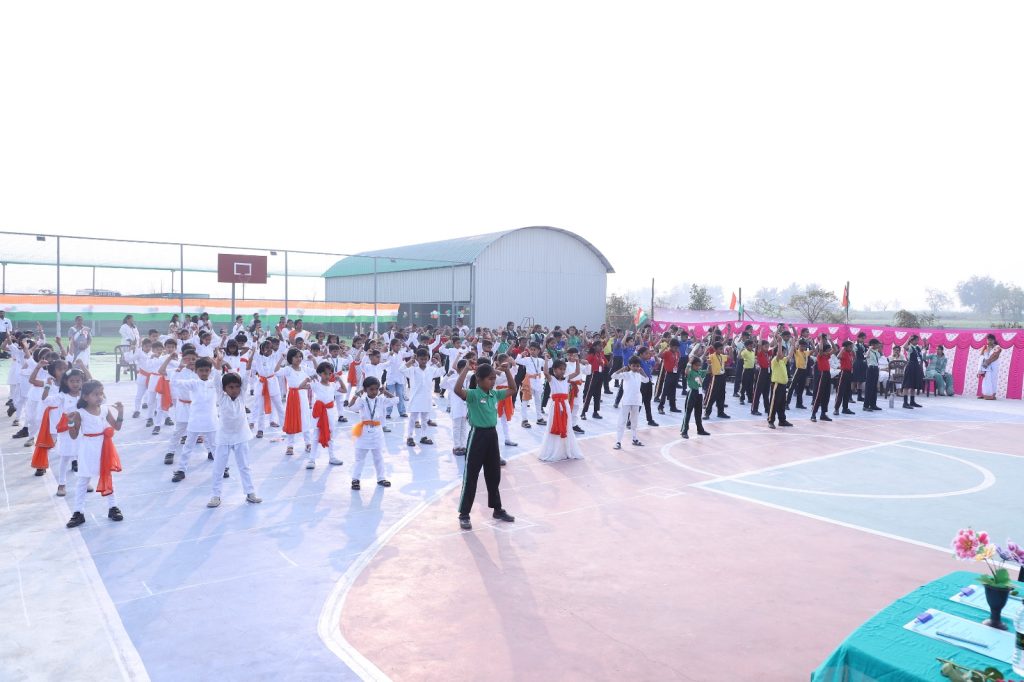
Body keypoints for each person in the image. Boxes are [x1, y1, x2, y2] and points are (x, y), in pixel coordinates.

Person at [453, 360, 517, 530]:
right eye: (490, 378)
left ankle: (497, 509)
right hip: (478, 436)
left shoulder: (494, 394)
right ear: (479, 379)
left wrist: (507, 371)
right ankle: (464, 514)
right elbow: (457, 390)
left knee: (494, 474)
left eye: (494, 378)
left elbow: (513, 389)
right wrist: (466, 369)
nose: (493, 381)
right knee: (471, 476)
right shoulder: (473, 394)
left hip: (492, 436)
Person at [65, 380, 125, 528]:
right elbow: (73, 435)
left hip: (104, 447)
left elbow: (117, 426)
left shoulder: (104, 409)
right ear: (85, 397)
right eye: (95, 394)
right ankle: (78, 512)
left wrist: (121, 412)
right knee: (83, 480)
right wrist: (70, 422)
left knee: (107, 476)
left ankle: (113, 507)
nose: (100, 397)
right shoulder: (80, 413)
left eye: (101, 393)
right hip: (87, 448)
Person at [206, 371, 262, 508]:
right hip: (224, 438)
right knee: (219, 468)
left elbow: (246, 378)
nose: (234, 390)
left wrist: (249, 364)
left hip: (241, 437)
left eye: (237, 386)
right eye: (231, 387)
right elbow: (217, 381)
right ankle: (215, 495)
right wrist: (217, 368)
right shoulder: (221, 397)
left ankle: (250, 492)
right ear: (224, 388)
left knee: (244, 466)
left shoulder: (241, 396)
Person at [347, 377, 396, 489]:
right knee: (360, 458)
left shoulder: (381, 400)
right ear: (365, 389)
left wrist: (385, 392)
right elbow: (351, 408)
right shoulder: (362, 400)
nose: (374, 392)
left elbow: (395, 400)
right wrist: (357, 395)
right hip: (364, 432)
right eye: (371, 389)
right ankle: (355, 479)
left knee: (378, 457)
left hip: (377, 432)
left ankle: (381, 478)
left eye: (376, 389)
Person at [537, 359, 584, 462]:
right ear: (554, 370)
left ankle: (565, 450)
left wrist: (577, 361)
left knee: (566, 425)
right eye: (560, 369)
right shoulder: (552, 379)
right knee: (554, 424)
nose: (562, 371)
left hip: (565, 405)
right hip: (555, 406)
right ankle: (554, 450)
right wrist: (546, 360)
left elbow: (577, 372)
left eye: (564, 369)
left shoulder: (567, 379)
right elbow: (545, 371)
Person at [403, 348, 445, 447]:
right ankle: (409, 437)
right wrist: (411, 361)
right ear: (417, 358)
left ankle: (423, 436)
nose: (423, 361)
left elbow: (442, 372)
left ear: (428, 359)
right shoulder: (413, 370)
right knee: (413, 419)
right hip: (415, 398)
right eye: (421, 359)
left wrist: (437, 363)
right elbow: (401, 369)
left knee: (425, 419)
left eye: (425, 359)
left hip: (426, 398)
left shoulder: (431, 369)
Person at [309, 361, 345, 468]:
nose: (328, 376)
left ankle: (332, 457)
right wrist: (309, 379)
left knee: (331, 435)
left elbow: (344, 390)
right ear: (320, 373)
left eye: (330, 373)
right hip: (319, 413)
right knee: (315, 436)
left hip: (330, 413)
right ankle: (311, 460)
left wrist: (340, 379)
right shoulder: (316, 384)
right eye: (325, 373)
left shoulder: (333, 385)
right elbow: (301, 386)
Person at [611, 355, 648, 450]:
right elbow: (613, 376)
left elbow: (646, 380)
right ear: (629, 366)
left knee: (634, 421)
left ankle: (634, 438)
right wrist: (622, 369)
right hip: (627, 401)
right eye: (634, 366)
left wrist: (642, 371)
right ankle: (618, 441)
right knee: (622, 421)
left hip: (636, 401)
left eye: (637, 366)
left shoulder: (639, 375)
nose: (636, 368)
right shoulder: (626, 374)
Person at [680, 357, 710, 439]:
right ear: (692, 365)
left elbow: (708, 371)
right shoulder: (690, 372)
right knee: (688, 412)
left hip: (699, 393)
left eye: (699, 365)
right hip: (692, 392)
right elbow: (686, 371)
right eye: (696, 365)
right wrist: (689, 363)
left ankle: (700, 430)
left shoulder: (699, 371)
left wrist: (709, 364)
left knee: (698, 412)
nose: (698, 367)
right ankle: (684, 431)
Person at [767, 342, 793, 429]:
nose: (784, 354)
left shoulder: (783, 360)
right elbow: (779, 354)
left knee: (782, 404)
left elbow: (790, 356)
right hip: (776, 385)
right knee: (774, 403)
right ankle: (770, 421)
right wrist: (780, 342)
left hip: (783, 385)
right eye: (783, 352)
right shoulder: (775, 360)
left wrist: (793, 345)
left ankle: (782, 420)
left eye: (784, 352)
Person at [810, 337, 835, 422]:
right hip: (822, 375)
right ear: (824, 351)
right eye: (828, 350)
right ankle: (813, 414)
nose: (829, 351)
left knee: (826, 395)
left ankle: (823, 414)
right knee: (819, 394)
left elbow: (835, 349)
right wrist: (821, 340)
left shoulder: (827, 356)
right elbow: (820, 349)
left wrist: (830, 340)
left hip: (827, 374)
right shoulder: (820, 356)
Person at [902, 335, 925, 409]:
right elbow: (904, 347)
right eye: (915, 340)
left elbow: (924, 347)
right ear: (911, 341)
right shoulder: (910, 347)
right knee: (907, 385)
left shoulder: (917, 347)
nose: (917, 341)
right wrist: (908, 339)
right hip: (911, 366)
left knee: (913, 385)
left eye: (917, 340)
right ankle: (905, 403)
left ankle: (912, 401)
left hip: (916, 367)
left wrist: (925, 342)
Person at [833, 341, 856, 416]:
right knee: (840, 392)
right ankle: (836, 409)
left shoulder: (850, 353)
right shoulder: (843, 352)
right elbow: (838, 356)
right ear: (845, 347)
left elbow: (854, 358)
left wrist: (852, 350)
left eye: (852, 347)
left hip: (849, 373)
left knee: (847, 392)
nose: (851, 348)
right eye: (850, 347)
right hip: (843, 373)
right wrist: (843, 349)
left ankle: (845, 408)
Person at [979, 334, 1001, 400]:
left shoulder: (997, 347)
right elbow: (981, 355)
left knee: (992, 379)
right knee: (986, 379)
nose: (989, 341)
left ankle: (991, 395)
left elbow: (995, 356)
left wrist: (987, 362)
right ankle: (985, 394)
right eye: (988, 340)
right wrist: (983, 364)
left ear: (994, 340)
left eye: (991, 340)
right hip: (985, 365)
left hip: (993, 365)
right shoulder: (985, 347)